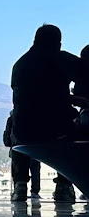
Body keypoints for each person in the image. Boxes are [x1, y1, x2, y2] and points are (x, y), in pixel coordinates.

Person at [10, 25, 88, 202]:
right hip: (57, 128)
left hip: (25, 130)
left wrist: (68, 98)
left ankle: (20, 183)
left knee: (18, 131)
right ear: (58, 43)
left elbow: (35, 96)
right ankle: (64, 184)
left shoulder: (20, 64)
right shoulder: (60, 59)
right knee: (81, 134)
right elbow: (84, 74)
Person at [4, 111, 41, 198]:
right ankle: (35, 192)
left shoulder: (12, 119)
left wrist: (11, 143)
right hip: (34, 149)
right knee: (35, 171)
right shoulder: (36, 117)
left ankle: (19, 188)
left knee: (17, 170)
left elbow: (7, 138)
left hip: (16, 148)